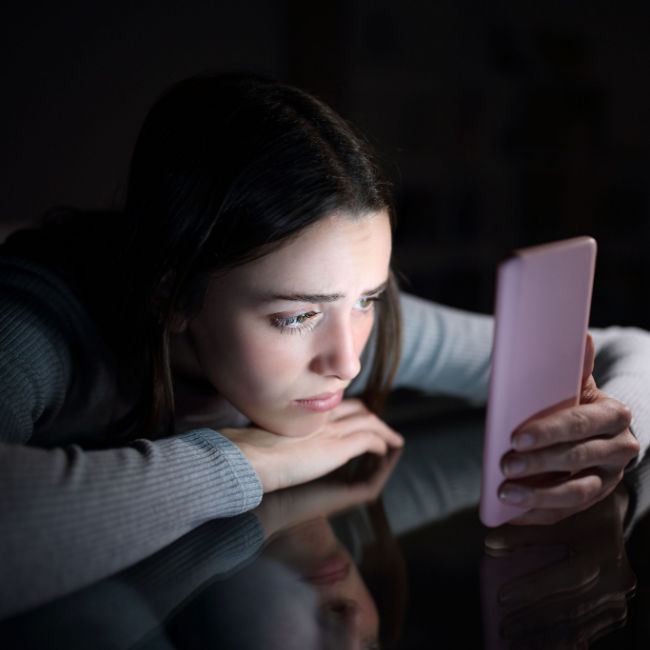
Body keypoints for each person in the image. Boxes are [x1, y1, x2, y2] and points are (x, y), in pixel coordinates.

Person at [0, 73, 647, 618]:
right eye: (294, 317)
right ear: (174, 293)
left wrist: (613, 424)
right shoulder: (35, 323)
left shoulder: (354, 325)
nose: (348, 360)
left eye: (367, 298)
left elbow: (632, 346)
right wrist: (250, 460)